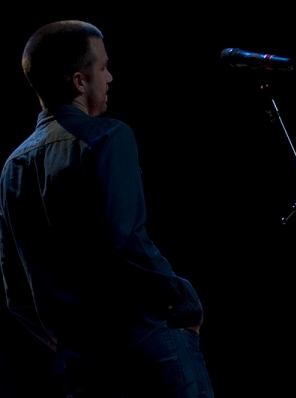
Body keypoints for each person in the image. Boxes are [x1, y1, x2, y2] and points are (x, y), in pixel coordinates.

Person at [0, 20, 214, 398]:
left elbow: (17, 291)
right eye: (103, 67)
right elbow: (125, 241)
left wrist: (69, 343)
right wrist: (185, 303)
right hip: (148, 347)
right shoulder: (108, 138)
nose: (110, 77)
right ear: (80, 82)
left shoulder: (13, 168)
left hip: (81, 365)